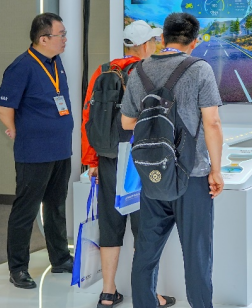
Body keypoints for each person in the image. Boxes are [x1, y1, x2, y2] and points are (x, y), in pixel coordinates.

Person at [120, 12, 225, 308]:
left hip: (153, 175)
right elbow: (212, 122)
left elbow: (127, 122)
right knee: (197, 255)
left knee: (145, 253)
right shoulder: (200, 69)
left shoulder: (139, 70)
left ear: (162, 38)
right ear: (195, 42)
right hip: (193, 176)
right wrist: (216, 170)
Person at [81, 20, 174, 308]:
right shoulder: (150, 72)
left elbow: (88, 117)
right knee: (145, 228)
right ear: (146, 45)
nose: (156, 46)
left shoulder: (105, 70)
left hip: (109, 159)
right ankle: (149, 294)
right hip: (142, 160)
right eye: (154, 41)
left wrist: (91, 161)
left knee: (110, 224)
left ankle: (108, 293)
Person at [0, 13, 75, 289]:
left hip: (60, 148)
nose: (65, 39)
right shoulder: (22, 67)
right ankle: (18, 268)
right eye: (61, 35)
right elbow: (3, 106)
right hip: (35, 151)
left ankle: (60, 259)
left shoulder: (55, 62)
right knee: (26, 210)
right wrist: (15, 129)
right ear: (43, 39)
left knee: (56, 206)